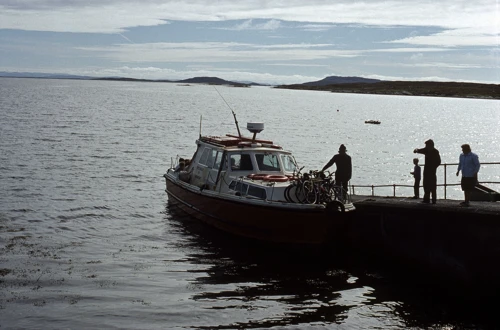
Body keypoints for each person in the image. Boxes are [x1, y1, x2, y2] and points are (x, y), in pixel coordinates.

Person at [414, 139, 441, 204]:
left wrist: (434, 167)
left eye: (427, 145)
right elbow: (421, 150)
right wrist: (417, 150)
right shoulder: (426, 150)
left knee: (433, 186)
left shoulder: (435, 152)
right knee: (426, 185)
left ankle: (434, 199)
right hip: (426, 170)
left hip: (432, 171)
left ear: (430, 145)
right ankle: (426, 199)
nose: (426, 146)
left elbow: (438, 161)